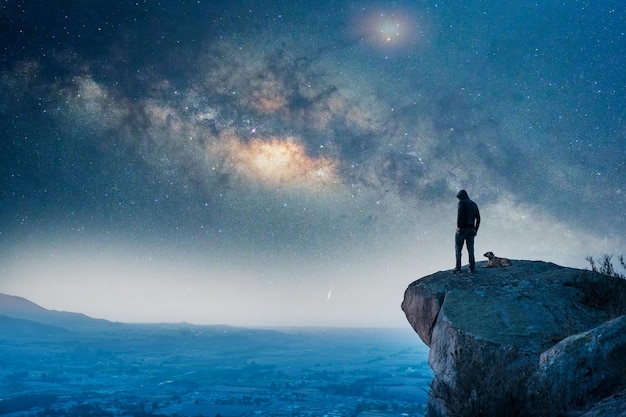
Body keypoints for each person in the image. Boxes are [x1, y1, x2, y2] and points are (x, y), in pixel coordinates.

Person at [454, 189, 480, 273]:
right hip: (471, 229)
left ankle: (458, 267)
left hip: (462, 229)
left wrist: (458, 228)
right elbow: (478, 218)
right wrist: (476, 229)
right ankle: (472, 267)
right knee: (471, 249)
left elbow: (460, 215)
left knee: (458, 249)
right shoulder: (473, 204)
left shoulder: (461, 203)